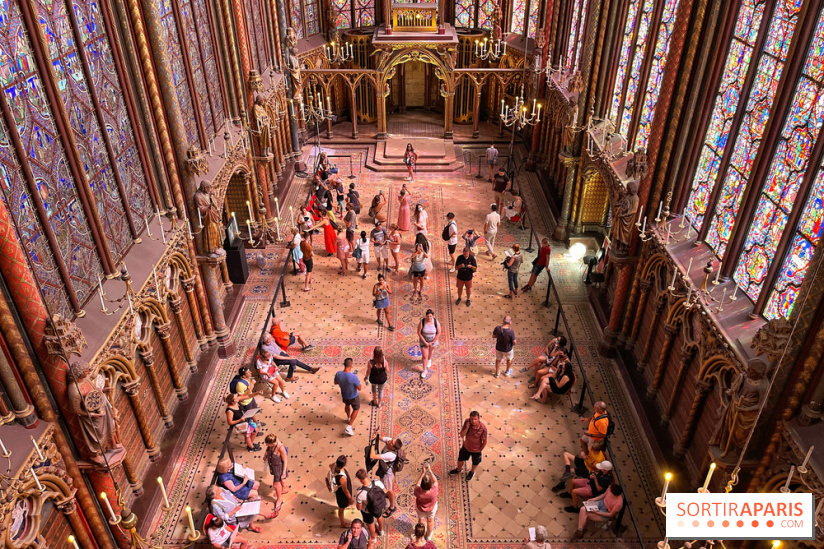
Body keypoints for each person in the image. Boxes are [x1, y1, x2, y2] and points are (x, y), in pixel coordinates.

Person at [205, 485, 276, 533]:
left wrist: (239, 500)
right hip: (234, 516)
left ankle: (264, 516)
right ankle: (253, 525)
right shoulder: (215, 505)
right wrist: (235, 510)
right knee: (252, 511)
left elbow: (230, 494)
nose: (220, 488)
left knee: (253, 503)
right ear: (215, 495)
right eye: (218, 490)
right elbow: (222, 517)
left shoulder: (221, 491)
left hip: (238, 505)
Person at [369, 432, 403, 517]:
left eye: (392, 442)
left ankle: (392, 506)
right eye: (391, 440)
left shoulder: (390, 455)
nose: (390, 441)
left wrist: (373, 443)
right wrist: (376, 435)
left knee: (389, 490)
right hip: (383, 469)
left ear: (393, 447)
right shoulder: (390, 441)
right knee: (384, 486)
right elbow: (381, 437)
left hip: (388, 474)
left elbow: (372, 456)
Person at [449, 411, 488, 481]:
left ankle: (472, 472)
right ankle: (458, 470)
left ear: (479, 418)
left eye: (475, 419)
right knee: (460, 459)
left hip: (476, 450)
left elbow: (484, 442)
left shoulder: (483, 429)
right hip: (466, 447)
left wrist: (479, 450)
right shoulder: (467, 422)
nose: (473, 421)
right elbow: (461, 435)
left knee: (475, 462)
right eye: (472, 419)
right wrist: (467, 427)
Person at [354, 469, 386, 548]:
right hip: (378, 506)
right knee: (379, 516)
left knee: (370, 523)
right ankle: (381, 531)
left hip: (367, 511)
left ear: (360, 480)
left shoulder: (360, 493)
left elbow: (359, 508)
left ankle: (373, 538)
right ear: (366, 475)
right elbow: (385, 491)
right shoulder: (377, 482)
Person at [335, 358, 362, 436]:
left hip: (344, 395)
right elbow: (359, 388)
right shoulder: (353, 377)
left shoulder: (338, 374)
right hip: (353, 396)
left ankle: (348, 417)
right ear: (351, 365)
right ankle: (349, 427)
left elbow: (336, 382)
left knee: (347, 405)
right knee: (356, 409)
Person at [263, 434, 288, 513]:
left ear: (273, 443)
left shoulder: (281, 448)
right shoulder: (271, 444)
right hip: (273, 465)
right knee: (281, 480)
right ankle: (284, 489)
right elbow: (267, 449)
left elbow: (285, 461)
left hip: (279, 468)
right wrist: (265, 455)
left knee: (276, 485)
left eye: (268, 444)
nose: (266, 445)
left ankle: (279, 500)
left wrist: (283, 472)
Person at [413, 462, 438, 540]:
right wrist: (430, 471)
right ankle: (429, 536)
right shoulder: (434, 491)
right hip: (431, 508)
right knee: (430, 521)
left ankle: (421, 535)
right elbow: (436, 482)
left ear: (422, 485)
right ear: (430, 485)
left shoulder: (417, 491)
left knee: (421, 521)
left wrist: (422, 473)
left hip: (420, 508)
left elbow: (417, 484)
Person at [328, 455, 354, 528]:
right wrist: (350, 498)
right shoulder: (342, 478)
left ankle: (346, 505)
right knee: (341, 508)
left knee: (342, 505)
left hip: (339, 490)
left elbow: (330, 465)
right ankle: (342, 523)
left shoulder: (334, 465)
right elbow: (345, 490)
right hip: (342, 494)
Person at [417, 309, 440, 379]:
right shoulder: (422, 322)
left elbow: (438, 333)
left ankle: (429, 359)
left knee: (430, 352)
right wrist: (425, 342)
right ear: (426, 316)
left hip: (433, 340)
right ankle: (424, 370)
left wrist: (432, 342)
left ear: (433, 316)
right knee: (424, 356)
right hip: (424, 340)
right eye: (428, 316)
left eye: (430, 316)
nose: (429, 318)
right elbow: (419, 333)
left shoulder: (436, 322)